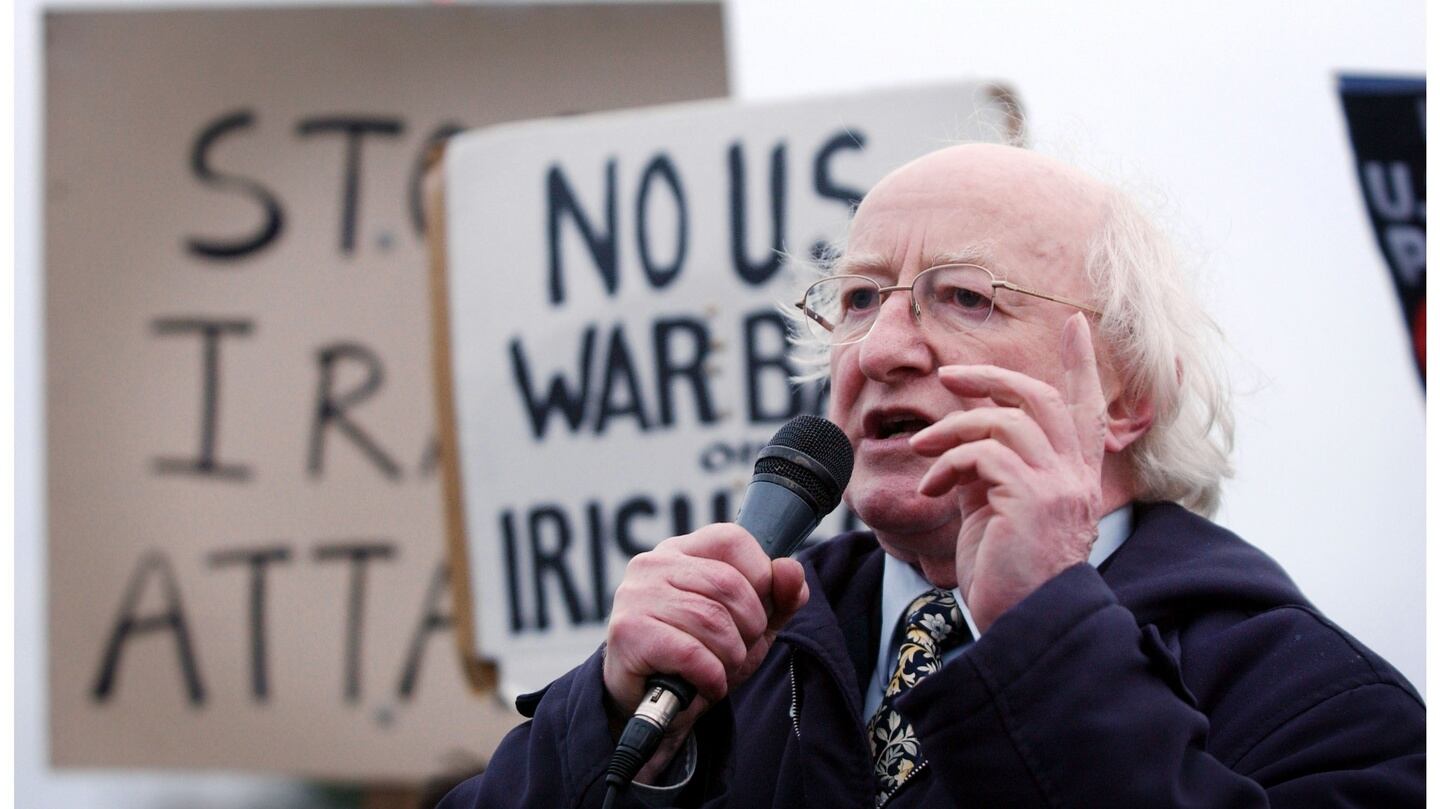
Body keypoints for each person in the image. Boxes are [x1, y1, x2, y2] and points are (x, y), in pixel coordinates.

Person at [440, 143, 1425, 808]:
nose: (880, 347)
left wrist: (1044, 639)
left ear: (1127, 396)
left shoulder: (1324, 705)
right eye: (860, 298)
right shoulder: (739, 651)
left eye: (964, 297)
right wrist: (612, 724)